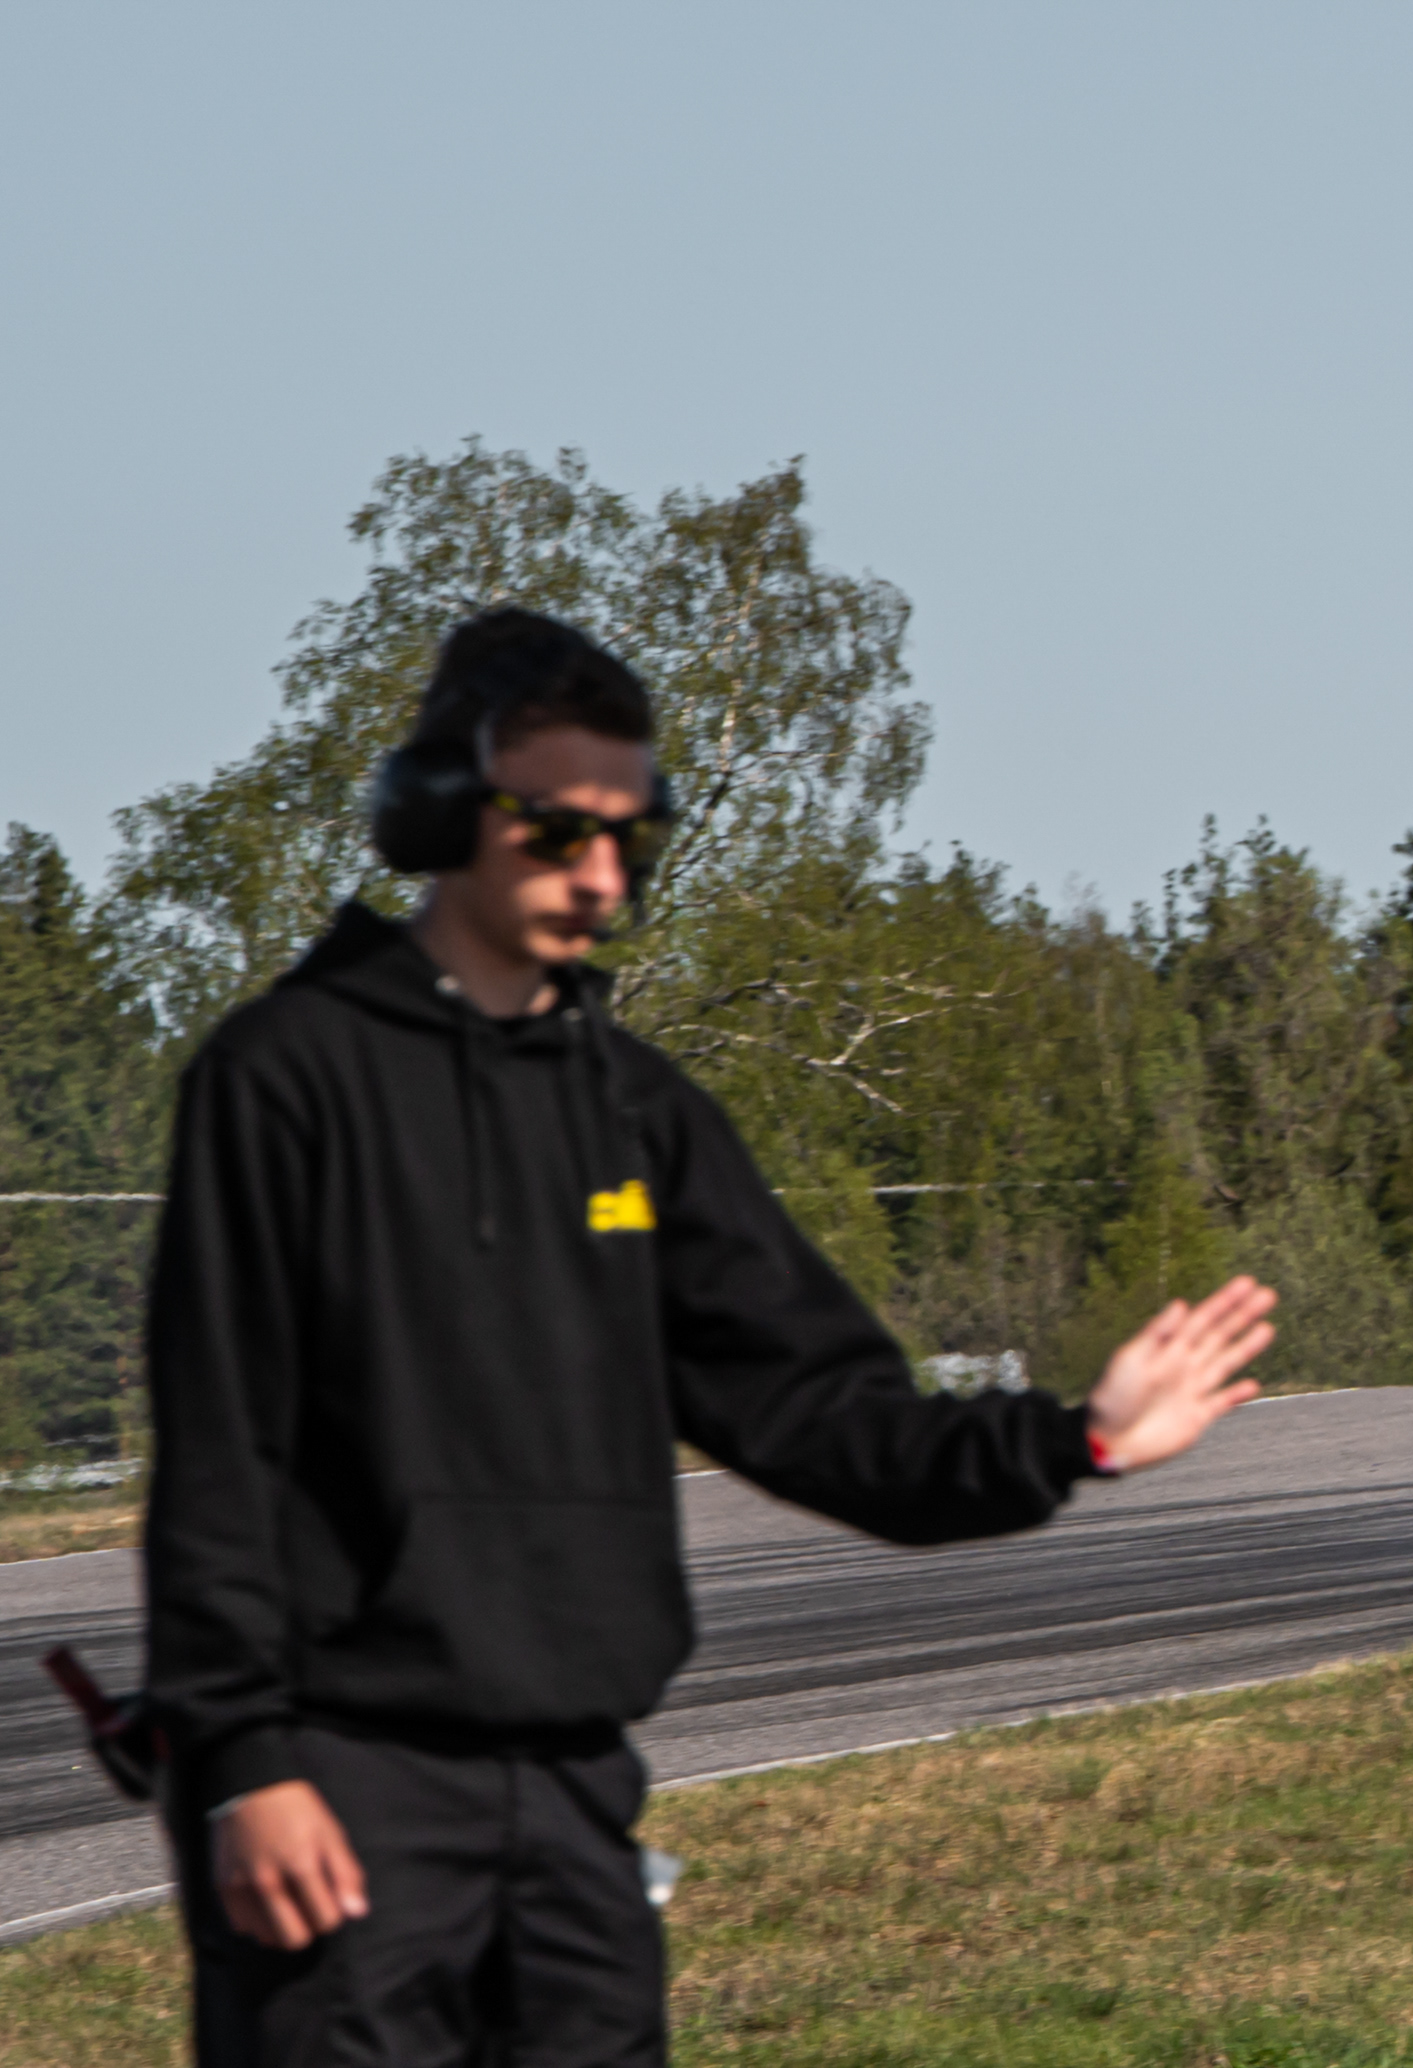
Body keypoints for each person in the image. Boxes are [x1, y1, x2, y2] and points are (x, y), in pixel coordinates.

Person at [140, 611, 1279, 2068]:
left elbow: (817, 1410)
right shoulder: (285, 1077)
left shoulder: (636, 1111)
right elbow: (221, 1453)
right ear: (439, 811)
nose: (601, 877)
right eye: (559, 831)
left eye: (630, 836)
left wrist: (1077, 1440)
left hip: (574, 1802)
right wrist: (245, 1762)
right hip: (345, 1796)